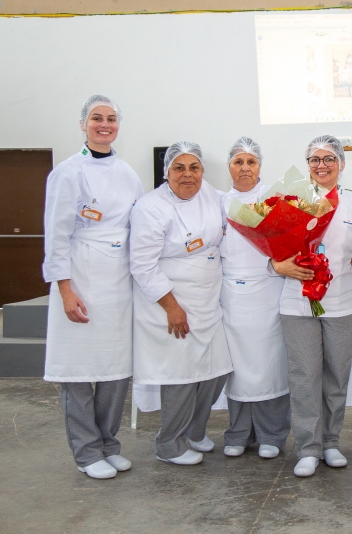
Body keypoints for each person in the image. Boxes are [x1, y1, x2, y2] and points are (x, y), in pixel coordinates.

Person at [43, 95, 143, 479]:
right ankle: (86, 452)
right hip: (81, 279)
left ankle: (108, 444)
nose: (105, 125)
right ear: (83, 124)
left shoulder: (128, 173)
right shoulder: (67, 173)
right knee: (79, 370)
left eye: (112, 118)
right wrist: (65, 290)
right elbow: (56, 236)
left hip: (118, 284)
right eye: (97, 118)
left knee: (116, 369)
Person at [129, 141, 233, 466]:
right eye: (179, 168)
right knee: (181, 375)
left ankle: (195, 432)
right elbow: (142, 265)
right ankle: (169, 444)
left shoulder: (212, 196)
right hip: (172, 302)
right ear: (167, 172)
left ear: (202, 171)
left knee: (216, 371)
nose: (187, 175)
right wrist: (172, 308)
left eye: (194, 168)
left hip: (208, 301)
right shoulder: (150, 207)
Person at [273, 135, 352, 478]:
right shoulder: (291, 202)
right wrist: (277, 265)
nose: (322, 165)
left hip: (342, 303)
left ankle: (330, 442)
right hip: (298, 304)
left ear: (341, 163)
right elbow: (271, 251)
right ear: (307, 165)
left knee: (336, 377)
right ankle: (308, 448)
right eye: (315, 159)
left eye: (329, 159)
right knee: (304, 376)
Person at [219, 137, 290, 459]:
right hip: (232, 296)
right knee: (238, 369)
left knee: (269, 366)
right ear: (229, 167)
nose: (245, 168)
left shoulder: (276, 199)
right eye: (239, 162)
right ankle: (238, 433)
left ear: (260, 166)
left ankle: (272, 434)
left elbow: (289, 246)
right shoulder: (219, 202)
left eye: (251, 162)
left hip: (268, 290)